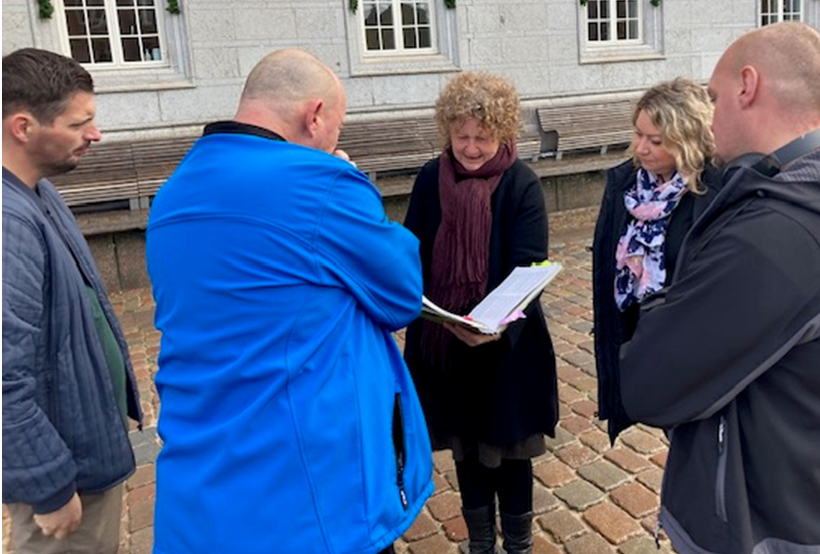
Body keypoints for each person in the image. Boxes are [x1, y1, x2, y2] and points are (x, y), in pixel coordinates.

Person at [618, 22, 820, 554]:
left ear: (748, 87)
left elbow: (647, 383)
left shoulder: (781, 235)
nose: (711, 113)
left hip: (781, 528)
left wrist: (659, 301)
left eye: (715, 96)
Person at [145, 49, 433, 554]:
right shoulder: (319, 182)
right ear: (314, 115)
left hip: (201, 493)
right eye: (337, 129)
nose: (333, 141)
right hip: (305, 500)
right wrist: (353, 181)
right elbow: (402, 292)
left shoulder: (172, 194)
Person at [402, 71, 557, 554]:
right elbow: (414, 252)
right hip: (446, 347)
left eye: (482, 137)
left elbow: (528, 266)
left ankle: (518, 545)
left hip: (506, 347)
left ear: (504, 133)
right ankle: (480, 544)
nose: (470, 148)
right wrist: (430, 310)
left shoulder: (521, 184)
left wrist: (494, 326)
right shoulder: (431, 178)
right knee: (466, 451)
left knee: (510, 455)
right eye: (461, 136)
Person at [2, 48, 143, 554]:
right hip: (64, 471)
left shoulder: (39, 192)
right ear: (23, 126)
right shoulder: (8, 222)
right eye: (80, 122)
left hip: (83, 445)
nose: (95, 133)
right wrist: (48, 483)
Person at [591, 78, 718, 443]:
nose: (641, 148)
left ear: (688, 139)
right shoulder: (625, 185)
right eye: (638, 134)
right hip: (640, 337)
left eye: (656, 141)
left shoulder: (711, 191)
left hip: (690, 348)